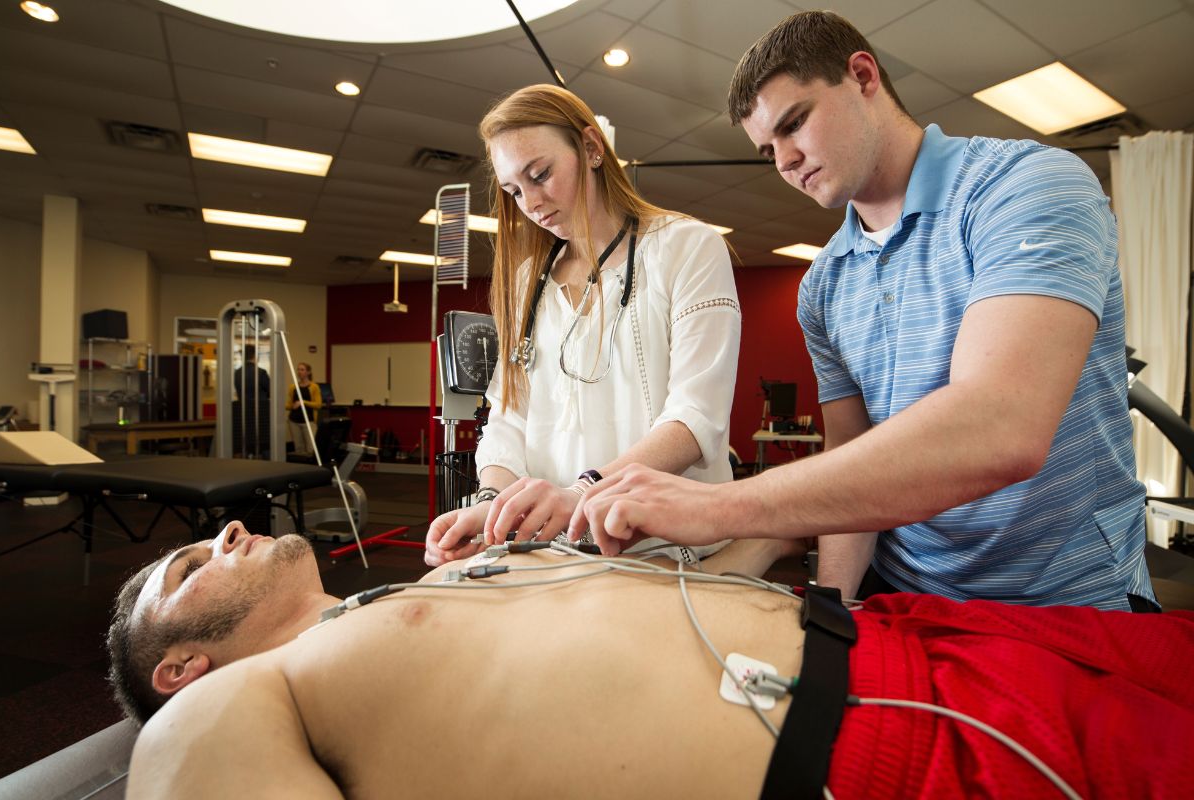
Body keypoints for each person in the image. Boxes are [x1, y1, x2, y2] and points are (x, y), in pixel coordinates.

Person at [570, 11, 1156, 612]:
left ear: (862, 76)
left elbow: (1000, 429)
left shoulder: (1024, 186)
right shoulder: (822, 286)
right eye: (768, 149)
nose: (785, 162)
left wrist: (718, 507)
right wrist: (827, 612)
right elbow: (851, 459)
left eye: (794, 124)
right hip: (906, 596)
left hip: (1066, 598)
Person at [113, 524, 1194, 798]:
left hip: (919, 637)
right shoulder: (218, 713)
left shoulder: (408, 596)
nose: (224, 538)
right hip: (894, 749)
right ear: (179, 667)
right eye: (185, 571)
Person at [425, 84, 742, 566]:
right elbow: (508, 419)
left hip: (662, 544)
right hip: (554, 549)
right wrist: (491, 505)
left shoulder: (687, 248)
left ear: (591, 149)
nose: (530, 202)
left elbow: (695, 420)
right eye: (514, 190)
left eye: (541, 174)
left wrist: (582, 493)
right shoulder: (527, 282)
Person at [285, 361, 322, 457]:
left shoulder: (314, 387)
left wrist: (303, 402)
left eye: (302, 369)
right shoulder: (293, 387)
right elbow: (289, 405)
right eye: (298, 369)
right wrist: (288, 406)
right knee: (298, 449)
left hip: (308, 421)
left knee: (311, 449)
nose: (299, 372)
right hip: (294, 421)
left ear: (308, 372)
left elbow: (318, 405)